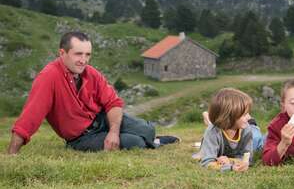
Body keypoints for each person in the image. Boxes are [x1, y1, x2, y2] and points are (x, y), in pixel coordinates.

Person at [7, 31, 179, 154]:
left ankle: (150, 138)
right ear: (62, 53)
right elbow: (30, 117)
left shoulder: (91, 73)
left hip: (101, 120)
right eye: (78, 54)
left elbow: (113, 103)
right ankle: (151, 142)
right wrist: (12, 154)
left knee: (147, 129)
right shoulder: (48, 77)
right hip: (81, 138)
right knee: (134, 142)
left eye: (87, 54)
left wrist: (113, 132)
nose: (83, 60)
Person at [199, 88, 255, 172]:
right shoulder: (212, 132)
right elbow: (206, 163)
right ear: (229, 116)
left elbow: (248, 159)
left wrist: (230, 161)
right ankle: (208, 120)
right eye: (244, 114)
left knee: (256, 133)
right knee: (210, 129)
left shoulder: (247, 130)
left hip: (228, 158)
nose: (249, 117)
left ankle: (208, 119)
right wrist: (230, 168)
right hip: (214, 133)